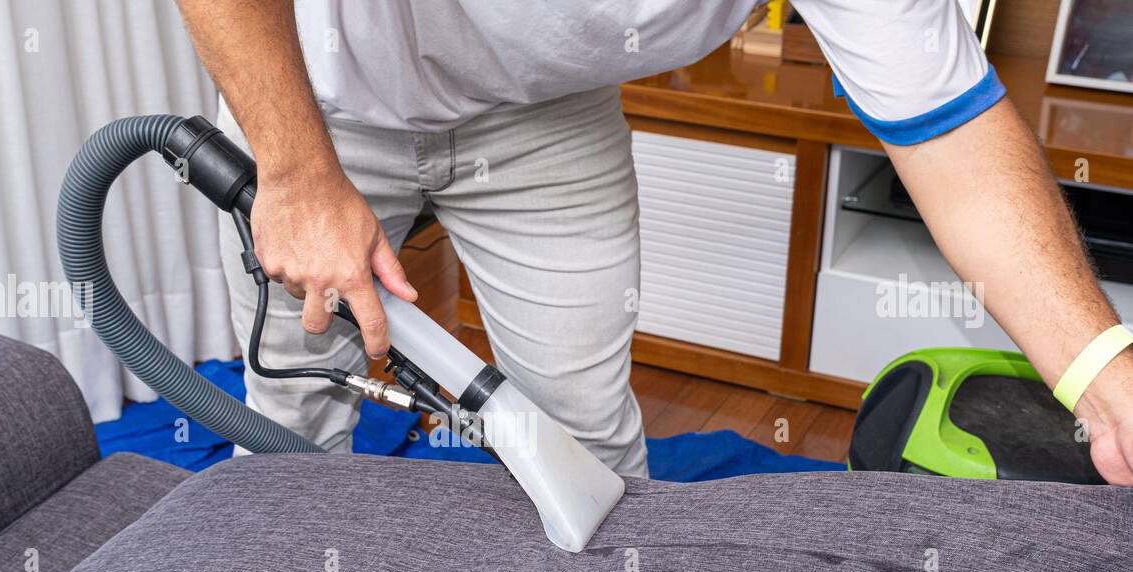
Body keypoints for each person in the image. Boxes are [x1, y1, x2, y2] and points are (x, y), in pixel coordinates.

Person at [177, 0, 1133, 484]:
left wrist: (1102, 368)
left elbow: (957, 140)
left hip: (543, 114)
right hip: (318, 97)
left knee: (585, 436)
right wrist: (297, 174)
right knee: (294, 414)